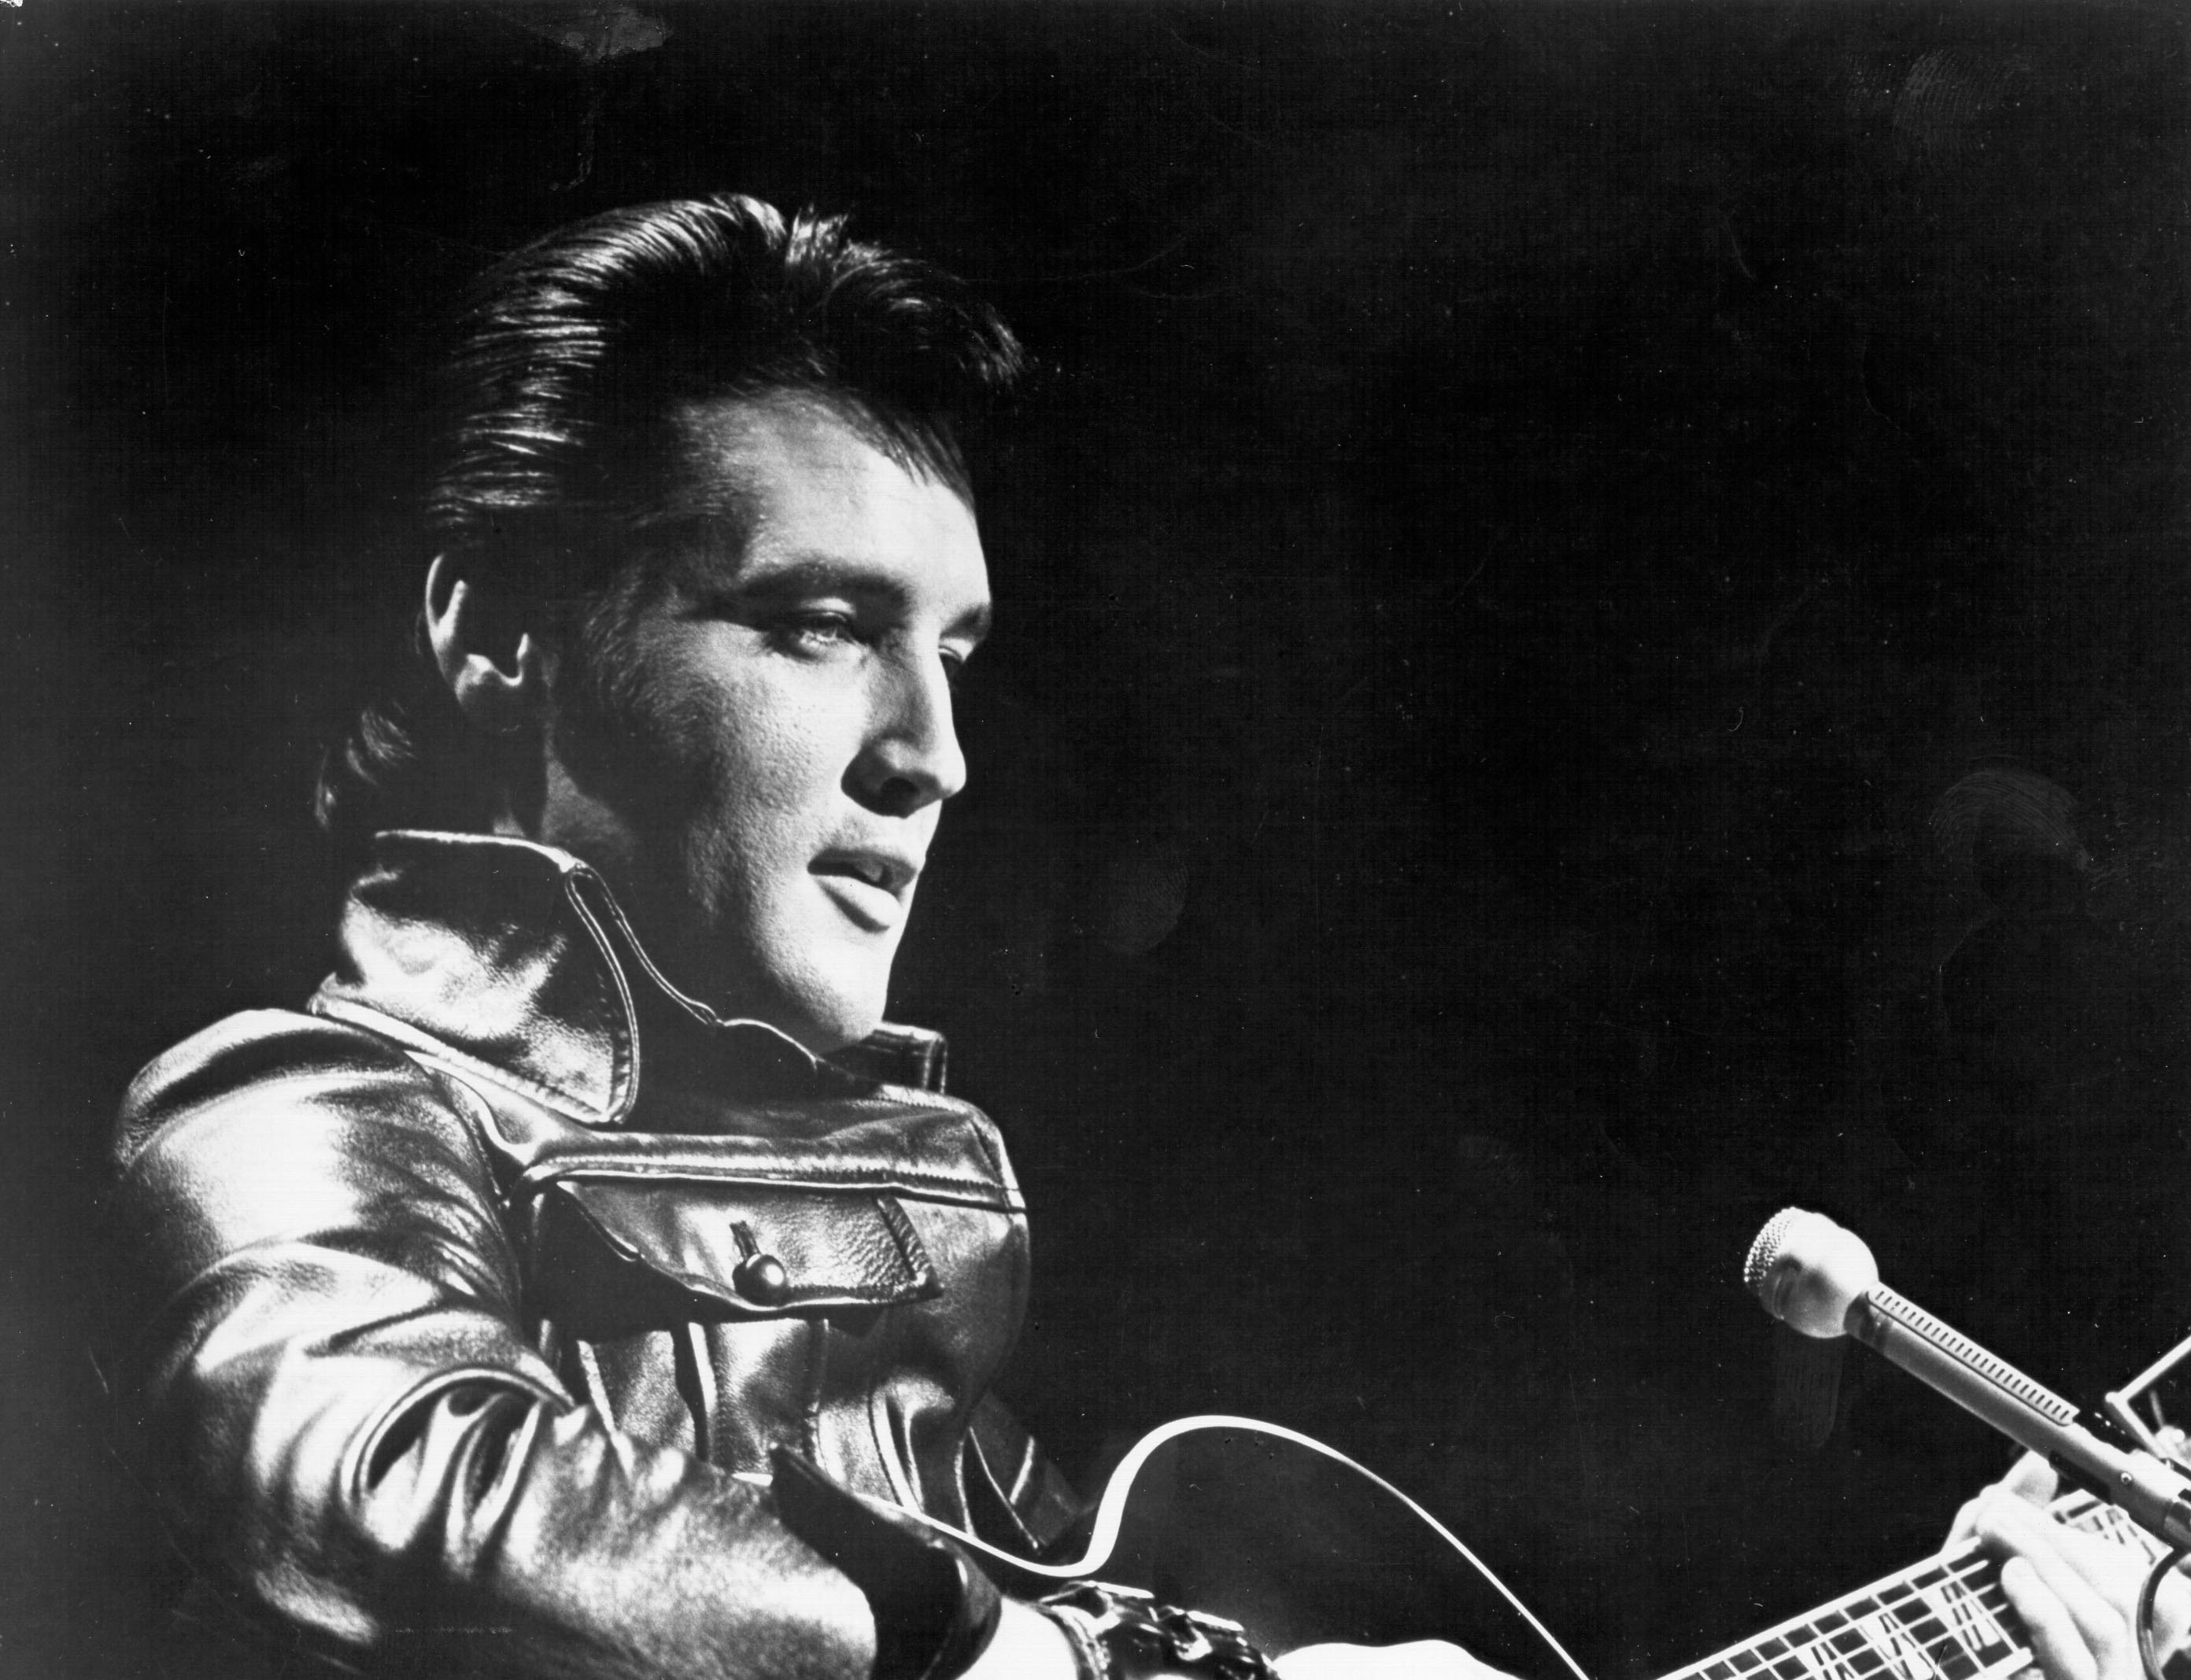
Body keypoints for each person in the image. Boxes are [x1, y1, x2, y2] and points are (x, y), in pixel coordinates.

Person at [105, 194, 2171, 1680]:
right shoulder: (302, 1109)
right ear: (500, 633)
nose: (934, 758)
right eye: (821, 627)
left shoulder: (926, 1265)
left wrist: (1995, 1633)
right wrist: (1088, 1664)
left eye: (957, 654)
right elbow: (377, 1481)